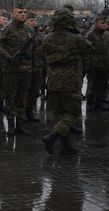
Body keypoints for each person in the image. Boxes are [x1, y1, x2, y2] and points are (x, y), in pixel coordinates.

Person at [40, 9, 93, 154]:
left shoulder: (46, 39)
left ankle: (65, 145)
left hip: (53, 82)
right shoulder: (76, 39)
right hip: (70, 82)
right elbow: (89, 48)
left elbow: (43, 53)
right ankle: (52, 136)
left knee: (60, 114)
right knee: (72, 113)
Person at [0, 3, 35, 136]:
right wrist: (8, 57)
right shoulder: (7, 29)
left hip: (26, 69)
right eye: (20, 12)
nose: (23, 14)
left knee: (22, 97)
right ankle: (10, 125)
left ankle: (20, 125)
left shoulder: (29, 30)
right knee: (10, 98)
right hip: (11, 69)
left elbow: (35, 46)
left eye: (24, 12)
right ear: (13, 14)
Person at [85, 14, 109, 111]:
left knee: (103, 85)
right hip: (94, 65)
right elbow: (86, 52)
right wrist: (87, 66)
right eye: (102, 23)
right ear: (96, 24)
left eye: (105, 23)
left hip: (105, 64)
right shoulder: (90, 35)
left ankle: (99, 102)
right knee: (92, 85)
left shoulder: (108, 35)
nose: (105, 25)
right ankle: (90, 102)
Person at [24, 12, 43, 122]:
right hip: (27, 66)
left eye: (35, 20)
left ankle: (30, 111)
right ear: (26, 21)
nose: (34, 22)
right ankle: (23, 113)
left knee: (34, 90)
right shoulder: (25, 33)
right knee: (25, 90)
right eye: (31, 20)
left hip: (38, 65)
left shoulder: (38, 33)